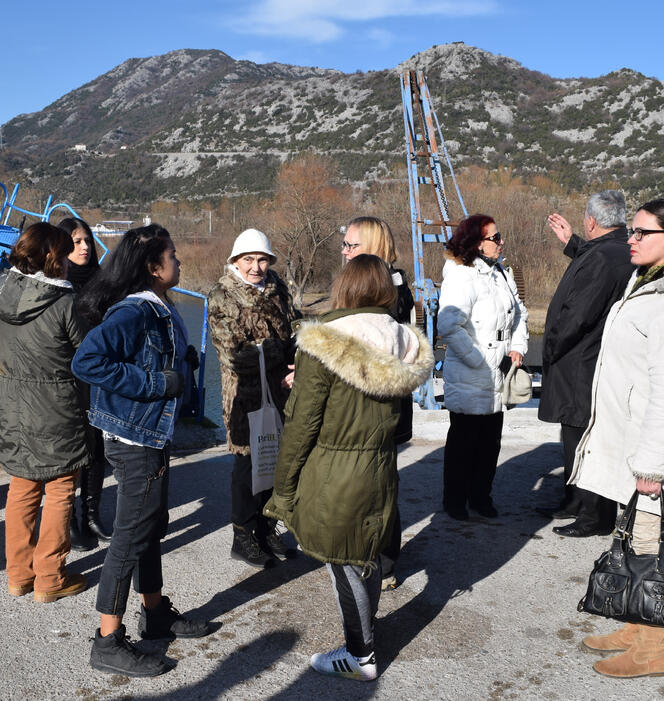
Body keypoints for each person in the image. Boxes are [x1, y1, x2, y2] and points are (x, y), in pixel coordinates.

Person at [570, 198, 664, 679]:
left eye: (640, 233)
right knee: (637, 539)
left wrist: (653, 467)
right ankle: (635, 625)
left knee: (653, 546)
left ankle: (653, 646)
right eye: (630, 231)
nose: (629, 239)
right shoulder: (649, 283)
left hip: (651, 450)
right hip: (630, 441)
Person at [264, 254, 433, 681]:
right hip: (380, 468)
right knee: (368, 553)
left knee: (343, 563)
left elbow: (301, 426)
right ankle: (366, 635)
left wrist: (282, 493)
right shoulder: (403, 344)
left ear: (344, 288)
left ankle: (361, 655)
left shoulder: (326, 343)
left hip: (333, 473)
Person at [73, 224, 210, 678]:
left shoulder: (159, 308)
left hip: (150, 435)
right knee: (130, 535)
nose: (179, 261)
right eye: (172, 255)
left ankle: (154, 614)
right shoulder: (134, 313)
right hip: (134, 440)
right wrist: (156, 384)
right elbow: (87, 361)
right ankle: (106, 641)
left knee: (151, 526)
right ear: (153, 267)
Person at [0, 222, 89, 603]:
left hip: (10, 402)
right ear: (53, 258)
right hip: (56, 406)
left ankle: (18, 576)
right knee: (59, 489)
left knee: (22, 487)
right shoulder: (64, 303)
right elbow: (87, 357)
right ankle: (50, 578)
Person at [536, 192, 635, 537]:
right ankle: (574, 501)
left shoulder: (605, 257)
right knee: (574, 433)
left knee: (584, 435)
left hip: (581, 362)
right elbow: (596, 258)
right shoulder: (618, 249)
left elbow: (578, 315)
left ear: (591, 221)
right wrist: (571, 242)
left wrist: (549, 349)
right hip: (592, 360)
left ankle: (595, 515)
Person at [207, 228, 300, 569]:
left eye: (262, 260)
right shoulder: (222, 296)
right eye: (248, 260)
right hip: (245, 393)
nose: (256, 267)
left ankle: (266, 526)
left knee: (275, 460)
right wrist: (284, 348)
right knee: (248, 463)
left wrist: (296, 353)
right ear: (235, 260)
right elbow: (234, 353)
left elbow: (296, 324)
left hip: (282, 388)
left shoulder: (277, 286)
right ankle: (243, 535)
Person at [437, 214, 528, 520]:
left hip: (497, 372)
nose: (501, 242)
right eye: (495, 237)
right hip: (471, 372)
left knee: (490, 441)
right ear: (477, 242)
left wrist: (517, 347)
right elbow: (449, 325)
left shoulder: (500, 272)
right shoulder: (462, 275)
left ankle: (480, 498)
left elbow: (519, 315)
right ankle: (455, 502)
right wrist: (478, 360)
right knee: (464, 442)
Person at [342, 216, 415, 591]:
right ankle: (371, 556)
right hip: (365, 406)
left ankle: (383, 562)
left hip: (381, 407)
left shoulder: (394, 289)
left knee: (381, 484)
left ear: (371, 247)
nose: (344, 251)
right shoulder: (375, 285)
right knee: (371, 481)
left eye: (352, 245)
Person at [59, 217, 112, 551]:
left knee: (96, 449)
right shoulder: (57, 283)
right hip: (65, 379)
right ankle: (68, 521)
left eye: (88, 241)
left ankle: (91, 514)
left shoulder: (105, 282)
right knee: (70, 451)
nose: (84, 247)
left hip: (97, 378)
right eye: (76, 241)